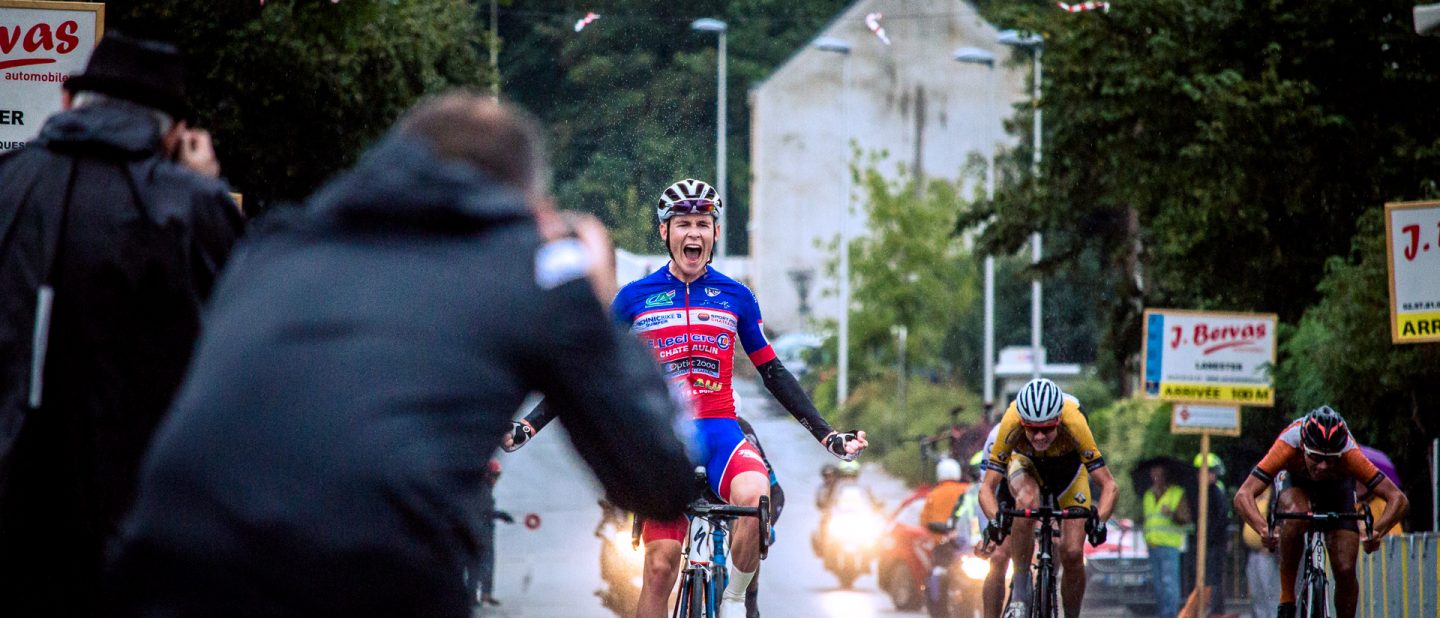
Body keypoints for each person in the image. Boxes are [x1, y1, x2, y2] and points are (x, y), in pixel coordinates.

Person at [107, 92, 695, 617]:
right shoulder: (527, 270)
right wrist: (588, 290)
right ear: (524, 198)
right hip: (367, 569)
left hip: (168, 559)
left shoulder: (278, 244)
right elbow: (656, 478)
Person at [503, 177, 868, 618]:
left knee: (756, 498)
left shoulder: (737, 297)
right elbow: (588, 365)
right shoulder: (634, 298)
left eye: (702, 224)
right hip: (666, 443)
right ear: (664, 232)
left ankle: (734, 599)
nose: (692, 233)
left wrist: (828, 436)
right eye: (682, 224)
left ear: (715, 234)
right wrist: (527, 426)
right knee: (658, 569)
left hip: (722, 433)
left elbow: (773, 372)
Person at [0, 32, 243, 616]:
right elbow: (241, 343)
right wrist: (207, 187)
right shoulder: (189, 206)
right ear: (174, 134)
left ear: (66, 103)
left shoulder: (8, 180)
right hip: (128, 530)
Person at [1233, 406, 1409, 618]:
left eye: (1331, 458)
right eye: (1316, 457)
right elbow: (1243, 495)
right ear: (1304, 447)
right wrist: (1263, 528)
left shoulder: (1349, 452)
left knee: (1344, 567)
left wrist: (1377, 531)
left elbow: (1398, 499)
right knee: (1297, 514)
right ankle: (1287, 598)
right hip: (1296, 482)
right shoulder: (1288, 443)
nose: (1324, 466)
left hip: (1337, 489)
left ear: (1340, 453)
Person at [978, 378, 1119, 618]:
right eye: (1032, 428)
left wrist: (1100, 521)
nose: (1040, 436)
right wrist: (994, 521)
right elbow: (987, 487)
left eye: (1047, 428)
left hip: (1069, 474)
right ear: (1022, 421)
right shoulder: (1009, 422)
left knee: (1073, 552)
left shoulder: (1074, 421)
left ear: (1059, 420)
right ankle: (1021, 592)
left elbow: (1109, 485)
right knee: (1026, 502)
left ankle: (1071, 614)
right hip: (1026, 465)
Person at [920, 458, 969, 614]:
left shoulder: (934, 494)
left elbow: (924, 522)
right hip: (967, 544)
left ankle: (938, 609)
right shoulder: (967, 490)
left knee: (936, 574)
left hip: (943, 545)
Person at [1143, 460, 1191, 618]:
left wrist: (1171, 513)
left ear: (1165, 476)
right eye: (1153, 474)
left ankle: (1170, 615)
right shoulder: (1148, 495)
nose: (1155, 477)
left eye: (1158, 474)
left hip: (1169, 545)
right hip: (1153, 545)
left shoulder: (1176, 493)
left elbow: (1185, 517)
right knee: (1158, 585)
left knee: (1169, 584)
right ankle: (1162, 614)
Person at [468, 459, 514, 607]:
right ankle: (474, 596)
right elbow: (485, 511)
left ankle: (485, 595)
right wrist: (501, 515)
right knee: (479, 565)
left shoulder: (482, 488)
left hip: (483, 531)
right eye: (495, 476)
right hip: (480, 532)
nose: (496, 480)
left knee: (485, 563)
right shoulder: (482, 490)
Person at [1191, 453, 1233, 618]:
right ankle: (1209, 609)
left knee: (1213, 577)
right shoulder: (1202, 491)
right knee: (1208, 577)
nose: (1212, 476)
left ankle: (1215, 611)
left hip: (1215, 543)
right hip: (1209, 542)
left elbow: (1221, 518)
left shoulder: (1215, 491)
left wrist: (1208, 537)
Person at [1241, 483, 1280, 618]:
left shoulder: (1276, 493)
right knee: (1257, 595)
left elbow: (1279, 520)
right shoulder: (1254, 492)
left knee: (1271, 593)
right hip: (1253, 552)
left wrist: (1273, 545)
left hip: (1268, 553)